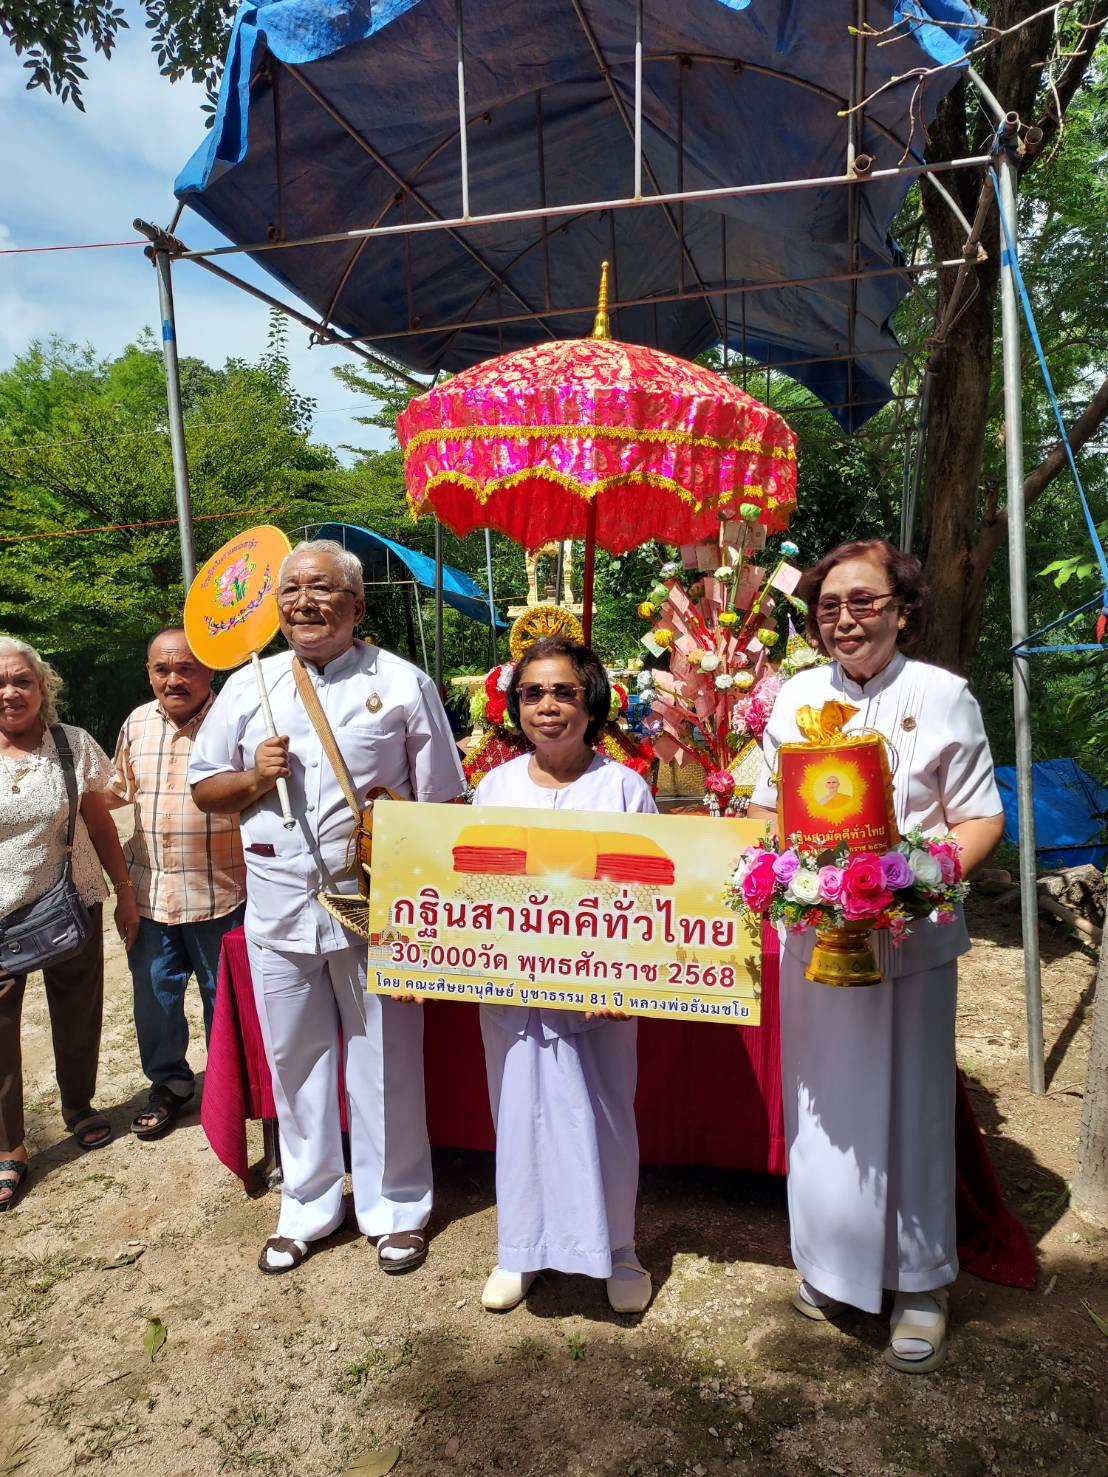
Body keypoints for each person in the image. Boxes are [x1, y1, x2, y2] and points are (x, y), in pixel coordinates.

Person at [748, 539, 1005, 1374]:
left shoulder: (943, 695)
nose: (845, 618)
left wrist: (916, 885)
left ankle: (920, 1283)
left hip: (909, 935)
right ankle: (829, 1265)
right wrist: (784, 877)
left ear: (901, 608)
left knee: (912, 1106)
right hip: (815, 938)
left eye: (864, 601)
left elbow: (977, 819)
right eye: (829, 605)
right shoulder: (793, 695)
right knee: (822, 1109)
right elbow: (766, 809)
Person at [189, 540, 465, 1275]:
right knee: (295, 1059)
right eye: (291, 590)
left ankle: (395, 1205)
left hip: (373, 906)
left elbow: (446, 801)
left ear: (356, 604)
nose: (304, 602)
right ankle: (309, 1204)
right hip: (276, 907)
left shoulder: (404, 683)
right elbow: (204, 787)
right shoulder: (249, 685)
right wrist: (254, 775)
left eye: (322, 589)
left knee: (386, 1057)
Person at [472, 636, 654, 1315]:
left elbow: (652, 896)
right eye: (532, 692)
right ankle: (518, 1248)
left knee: (605, 1114)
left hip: (603, 994)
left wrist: (629, 977)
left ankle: (619, 1249)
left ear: (591, 700)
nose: (548, 705)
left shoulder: (623, 786)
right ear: (514, 705)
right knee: (516, 1114)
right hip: (513, 994)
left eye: (564, 691)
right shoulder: (495, 786)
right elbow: (470, 887)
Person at [0, 636, 140, 1210]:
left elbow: (102, 825)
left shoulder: (71, 745)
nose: (10, 693)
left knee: (78, 1011)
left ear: (42, 687)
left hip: (70, 897)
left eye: (21, 681)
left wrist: (123, 890)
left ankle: (78, 1107)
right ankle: (10, 1149)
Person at [107, 629, 246, 1140]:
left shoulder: (235, 722)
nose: (174, 679)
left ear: (209, 671)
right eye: (162, 669)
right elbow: (118, 792)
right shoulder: (137, 722)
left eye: (186, 668)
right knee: (154, 999)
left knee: (223, 1001)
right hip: (150, 896)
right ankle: (169, 1085)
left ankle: (232, 1091)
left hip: (223, 892)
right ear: (148, 673)